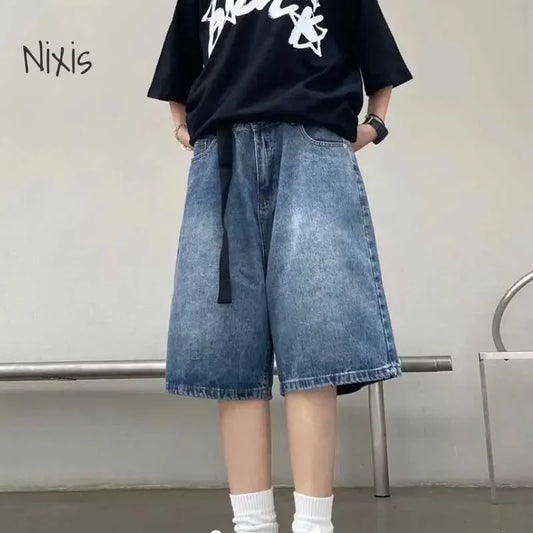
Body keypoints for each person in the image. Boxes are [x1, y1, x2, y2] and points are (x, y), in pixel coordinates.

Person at [146, 1, 412, 531]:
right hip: (223, 152)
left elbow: (381, 63)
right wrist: (183, 127)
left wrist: (374, 125)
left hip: (313, 146)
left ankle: (313, 524)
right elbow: (179, 66)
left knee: (316, 334)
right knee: (230, 344)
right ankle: (253, 524)